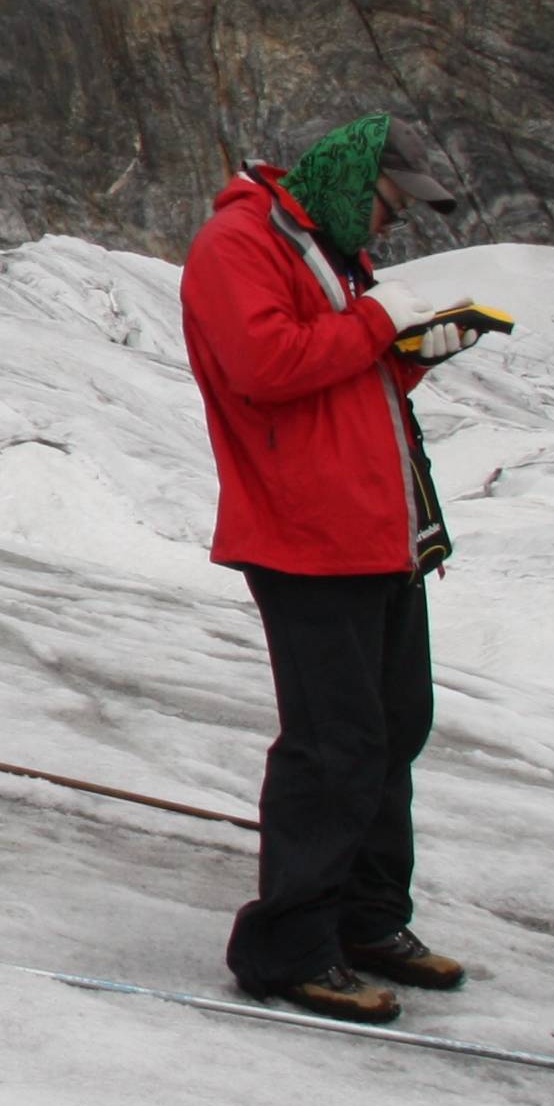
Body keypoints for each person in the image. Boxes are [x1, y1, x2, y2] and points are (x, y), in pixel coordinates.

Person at [179, 113, 494, 1023]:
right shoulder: (240, 243)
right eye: (390, 208)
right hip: (305, 537)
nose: (392, 229)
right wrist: (374, 323)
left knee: (393, 730)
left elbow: (341, 383)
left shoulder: (323, 251)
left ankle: (366, 921)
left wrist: (407, 354)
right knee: (334, 746)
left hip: (375, 533)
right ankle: (288, 948)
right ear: (357, 186)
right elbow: (267, 365)